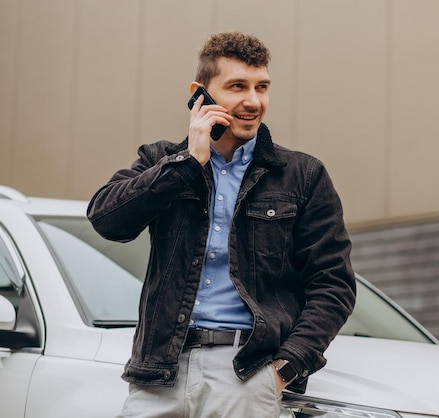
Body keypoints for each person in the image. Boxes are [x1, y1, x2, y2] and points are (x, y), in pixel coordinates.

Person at [87, 32, 356, 418]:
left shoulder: (302, 176)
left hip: (247, 374)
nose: (253, 101)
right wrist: (185, 165)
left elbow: (334, 285)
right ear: (200, 94)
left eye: (261, 87)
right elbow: (106, 220)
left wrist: (285, 370)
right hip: (159, 373)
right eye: (237, 87)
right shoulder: (162, 160)